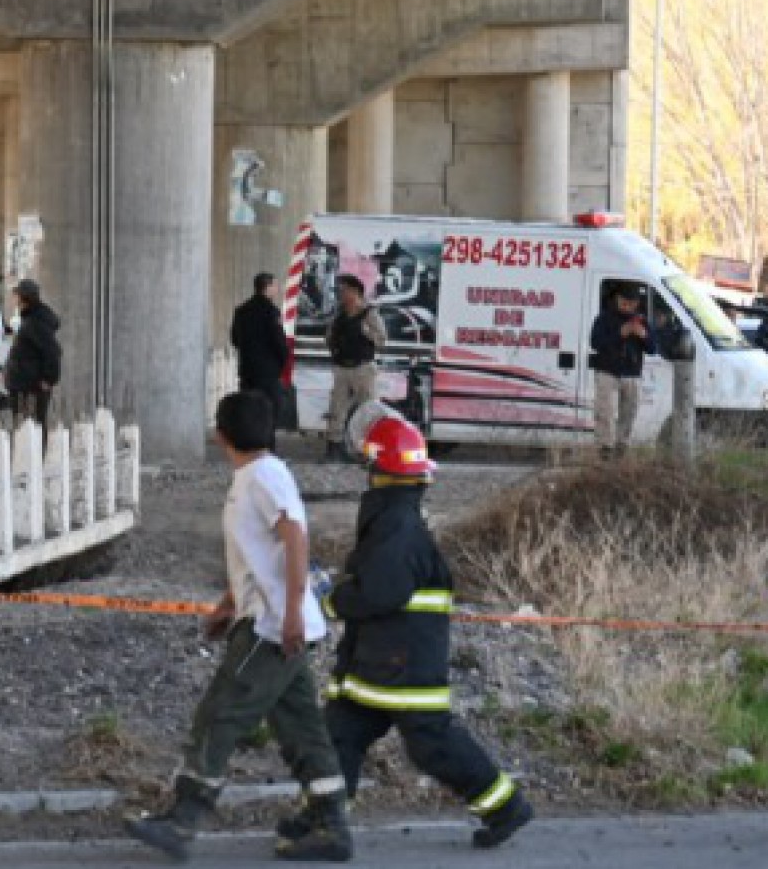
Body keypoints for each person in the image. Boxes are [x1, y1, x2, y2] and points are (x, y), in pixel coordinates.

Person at [125, 391, 352, 863]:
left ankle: (184, 818)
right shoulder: (259, 475)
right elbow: (258, 556)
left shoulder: (262, 477)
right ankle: (330, 822)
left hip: (271, 629)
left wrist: (288, 611)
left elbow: (294, 538)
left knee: (220, 714)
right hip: (275, 621)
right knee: (301, 729)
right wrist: (228, 603)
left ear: (220, 434)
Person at [288, 413, 533, 850]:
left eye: (370, 464)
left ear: (380, 469)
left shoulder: (395, 523)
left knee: (430, 742)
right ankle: (323, 818)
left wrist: (329, 602)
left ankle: (505, 807)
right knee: (338, 733)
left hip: (402, 660)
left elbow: (381, 591)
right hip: (386, 656)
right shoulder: (395, 517)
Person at [326, 276, 386, 462]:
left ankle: (367, 450)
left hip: (363, 368)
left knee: (368, 409)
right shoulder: (339, 316)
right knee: (337, 409)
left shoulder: (369, 314)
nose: (341, 294)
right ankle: (334, 449)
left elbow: (381, 339)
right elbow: (329, 337)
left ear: (355, 292)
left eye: (345, 290)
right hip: (342, 368)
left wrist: (366, 332)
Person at [587, 286, 652, 456]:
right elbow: (595, 343)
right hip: (608, 371)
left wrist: (643, 335)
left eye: (630, 304)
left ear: (636, 304)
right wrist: (620, 334)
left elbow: (653, 348)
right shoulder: (604, 318)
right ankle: (604, 448)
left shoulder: (642, 321)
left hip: (632, 373)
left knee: (629, 413)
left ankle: (622, 446)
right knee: (605, 412)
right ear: (617, 300)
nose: (626, 307)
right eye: (623, 302)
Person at [231, 272, 294, 428]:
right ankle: (266, 448)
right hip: (268, 373)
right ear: (268, 287)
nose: (278, 289)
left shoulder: (241, 311)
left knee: (250, 413)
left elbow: (235, 339)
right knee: (270, 413)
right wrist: (283, 361)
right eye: (276, 285)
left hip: (247, 371)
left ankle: (250, 446)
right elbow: (279, 342)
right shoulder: (271, 311)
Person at [5, 278, 63, 428]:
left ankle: (37, 451)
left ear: (25, 298)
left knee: (32, 428)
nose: (15, 299)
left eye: (17, 295)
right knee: (28, 429)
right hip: (25, 385)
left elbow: (52, 351)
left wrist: (48, 379)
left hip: (31, 387)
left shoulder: (36, 321)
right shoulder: (30, 319)